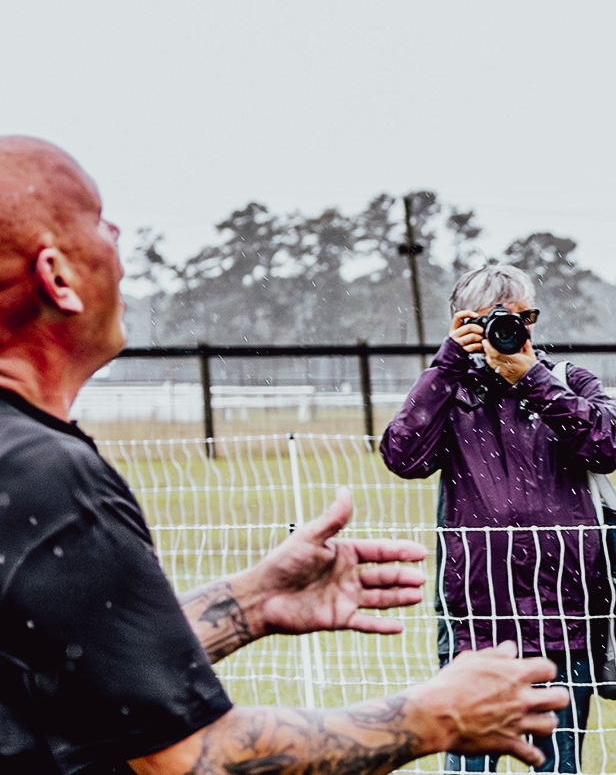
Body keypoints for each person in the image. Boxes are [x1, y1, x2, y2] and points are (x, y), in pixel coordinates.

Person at [0, 137, 568, 775]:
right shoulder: (47, 481)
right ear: (57, 277)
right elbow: (194, 758)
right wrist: (432, 715)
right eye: (99, 220)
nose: (118, 235)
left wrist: (253, 601)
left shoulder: (19, 462)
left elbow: (87, 671)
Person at [380, 265, 616, 774]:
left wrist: (532, 381)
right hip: (477, 615)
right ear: (462, 323)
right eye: (490, 320)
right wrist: (447, 365)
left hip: (564, 610)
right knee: (469, 763)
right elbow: (403, 456)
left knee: (557, 765)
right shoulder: (452, 392)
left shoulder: (567, 381)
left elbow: (609, 448)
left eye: (521, 318)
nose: (509, 330)